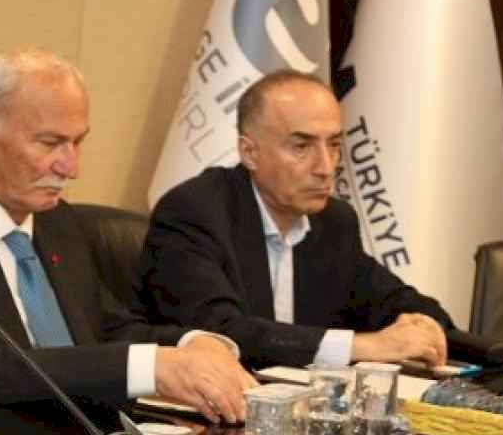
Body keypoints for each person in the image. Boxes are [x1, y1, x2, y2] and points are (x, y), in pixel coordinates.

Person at [0, 47, 257, 435]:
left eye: (77, 142)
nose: (71, 168)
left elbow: (104, 329)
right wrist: (150, 368)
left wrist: (190, 344)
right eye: (50, 143)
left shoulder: (55, 219)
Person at [140, 70, 453, 368]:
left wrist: (424, 326)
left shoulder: (334, 222)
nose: (326, 167)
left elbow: (393, 300)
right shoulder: (194, 213)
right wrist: (364, 346)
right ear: (249, 153)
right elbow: (220, 334)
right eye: (302, 147)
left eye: (334, 145)